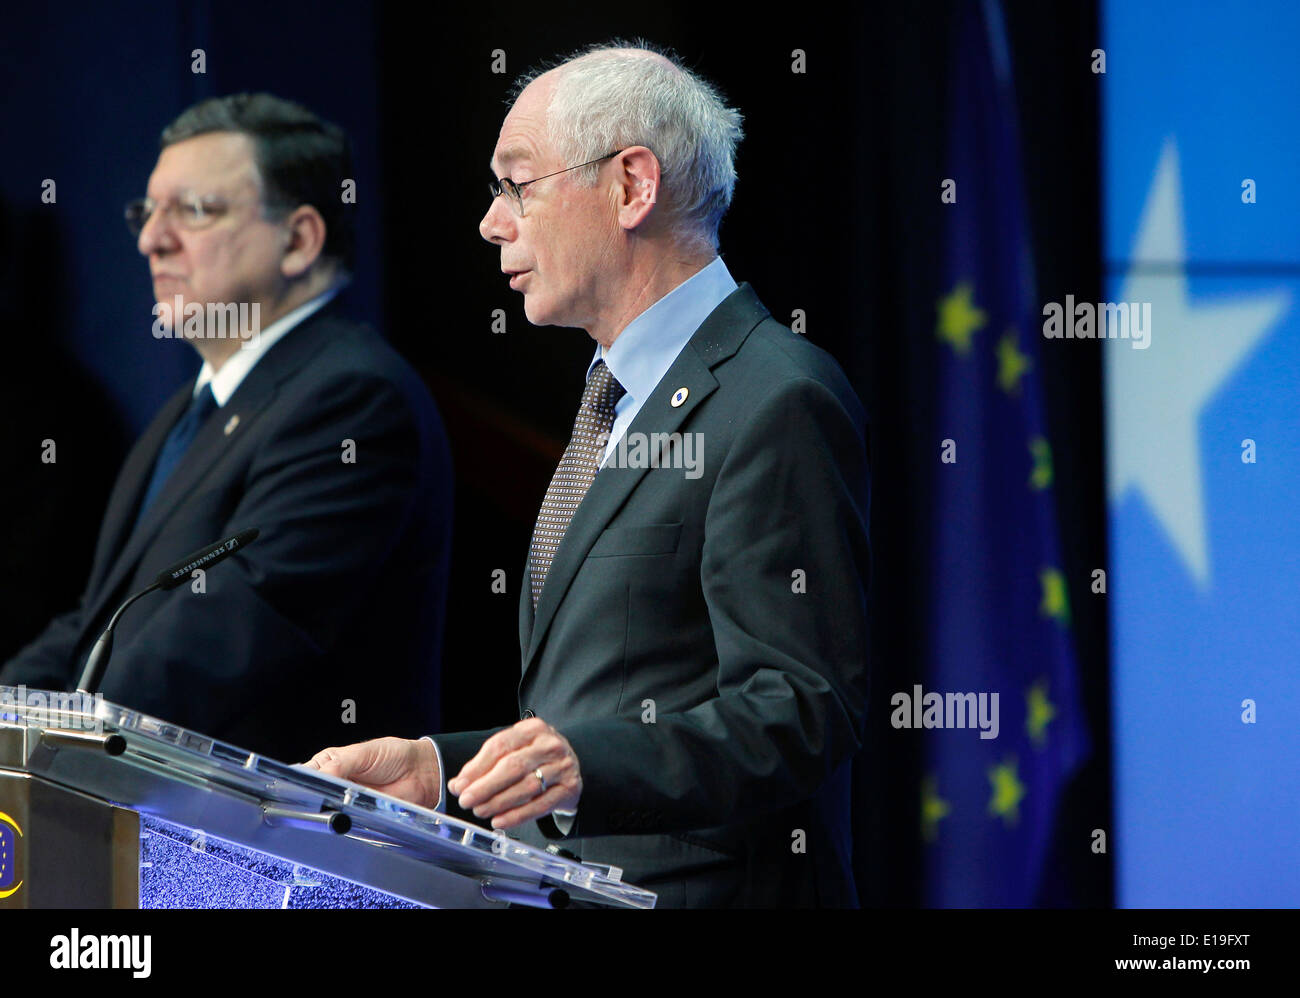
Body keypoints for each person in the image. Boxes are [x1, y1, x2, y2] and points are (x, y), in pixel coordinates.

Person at [306, 42, 870, 907]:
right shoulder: (611, 394)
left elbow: (799, 709)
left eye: (516, 183)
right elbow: (603, 709)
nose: (493, 223)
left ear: (631, 187)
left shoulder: (775, 395)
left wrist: (583, 767)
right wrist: (437, 768)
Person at [1, 94, 453, 764]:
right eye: (146, 211)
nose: (152, 237)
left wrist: (55, 738)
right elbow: (98, 623)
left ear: (299, 239)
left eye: (194, 210)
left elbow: (222, 641)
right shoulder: (188, 410)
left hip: (284, 854)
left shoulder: (353, 401)